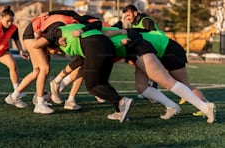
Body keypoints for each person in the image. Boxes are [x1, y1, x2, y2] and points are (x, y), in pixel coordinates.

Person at [50, 24, 215, 123]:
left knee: (167, 82)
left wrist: (121, 34)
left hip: (140, 50)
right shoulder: (96, 37)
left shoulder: (101, 33)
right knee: (141, 87)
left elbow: (123, 32)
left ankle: (205, 106)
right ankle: (172, 106)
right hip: (136, 52)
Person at [32, 23, 134, 123]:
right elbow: (79, 60)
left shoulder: (54, 33)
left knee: (92, 86)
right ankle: (119, 111)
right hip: (107, 45)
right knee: (102, 83)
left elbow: (36, 45)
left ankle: (121, 101)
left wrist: (41, 38)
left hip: (94, 45)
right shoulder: (74, 30)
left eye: (51, 52)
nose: (57, 53)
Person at [4, 10, 98, 114]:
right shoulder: (61, 27)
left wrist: (50, 13)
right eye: (57, 51)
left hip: (34, 33)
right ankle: (39, 104)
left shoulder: (72, 20)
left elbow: (70, 13)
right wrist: (50, 41)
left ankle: (15, 96)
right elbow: (39, 43)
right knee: (44, 68)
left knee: (37, 71)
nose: (57, 53)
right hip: (32, 35)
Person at [122, 4, 159, 91]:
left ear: (135, 13)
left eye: (128, 15)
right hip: (147, 50)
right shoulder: (135, 24)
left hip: (156, 48)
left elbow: (151, 37)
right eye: (126, 16)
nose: (127, 18)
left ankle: (153, 90)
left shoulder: (145, 21)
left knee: (155, 73)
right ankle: (149, 90)